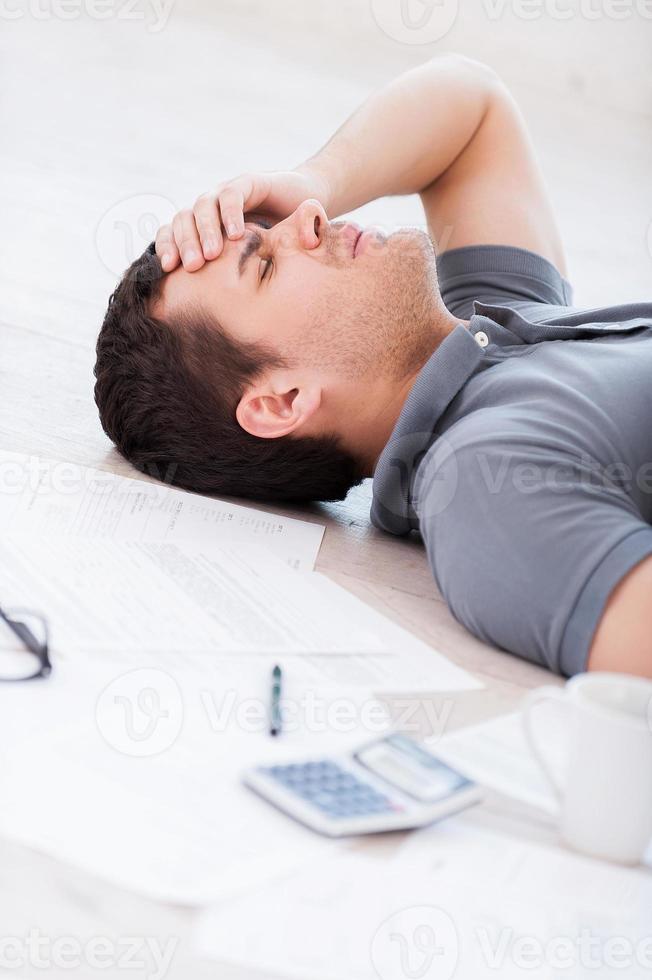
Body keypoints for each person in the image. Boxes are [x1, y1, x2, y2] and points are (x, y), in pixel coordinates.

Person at [94, 54, 652, 680]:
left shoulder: (481, 329)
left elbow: (471, 110)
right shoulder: (484, 480)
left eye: (273, 226)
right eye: (266, 263)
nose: (310, 219)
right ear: (282, 401)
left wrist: (315, 177)